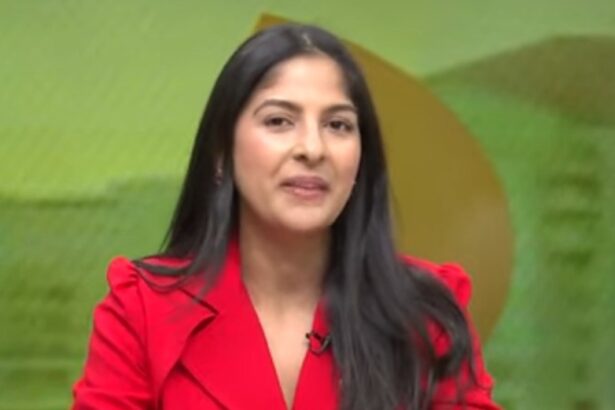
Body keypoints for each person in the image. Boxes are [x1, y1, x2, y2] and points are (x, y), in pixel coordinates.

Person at [72, 23, 500, 410]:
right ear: (221, 153)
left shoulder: (426, 314)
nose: (312, 149)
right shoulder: (142, 311)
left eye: (337, 125)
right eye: (279, 121)